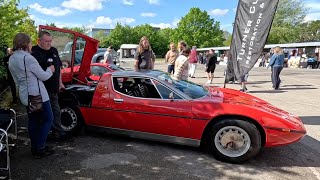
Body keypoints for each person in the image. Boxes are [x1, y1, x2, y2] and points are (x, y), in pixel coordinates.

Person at [9, 33, 55, 158]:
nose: (31, 45)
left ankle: (35, 147)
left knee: (33, 121)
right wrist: (50, 70)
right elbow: (43, 76)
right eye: (29, 42)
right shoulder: (28, 58)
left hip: (25, 95)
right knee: (48, 119)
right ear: (25, 43)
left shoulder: (12, 59)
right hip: (38, 95)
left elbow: (16, 81)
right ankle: (39, 147)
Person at [31, 31, 67, 140]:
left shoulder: (54, 50)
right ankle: (43, 138)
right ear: (39, 41)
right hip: (41, 91)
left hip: (53, 89)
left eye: (50, 41)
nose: (49, 43)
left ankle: (57, 133)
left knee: (56, 112)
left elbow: (59, 69)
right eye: (46, 41)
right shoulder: (34, 52)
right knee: (44, 116)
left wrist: (60, 83)